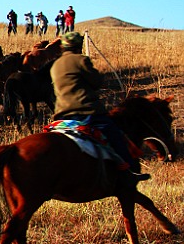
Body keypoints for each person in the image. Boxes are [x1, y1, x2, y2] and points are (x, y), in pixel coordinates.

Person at [50, 32, 150, 185]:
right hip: (85, 112)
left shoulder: (55, 65)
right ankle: (130, 172)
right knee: (115, 134)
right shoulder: (81, 60)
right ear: (79, 45)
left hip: (61, 115)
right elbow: (97, 82)